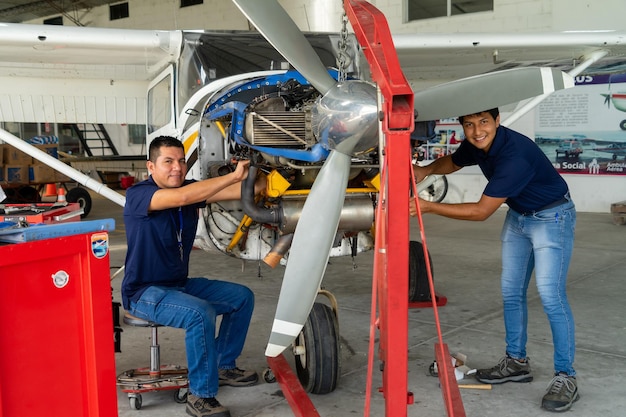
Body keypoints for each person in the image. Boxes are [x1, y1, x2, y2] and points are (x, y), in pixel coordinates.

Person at [411, 108, 578, 412]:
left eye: (484, 122)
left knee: (551, 296)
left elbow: (481, 211)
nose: (477, 131)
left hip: (552, 217)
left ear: (498, 121)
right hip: (519, 217)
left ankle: (566, 376)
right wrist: (426, 169)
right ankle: (516, 362)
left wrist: (429, 207)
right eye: (470, 125)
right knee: (511, 292)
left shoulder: (515, 155)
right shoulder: (478, 144)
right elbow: (454, 161)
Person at [122, 136, 264, 417]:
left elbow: (245, 190)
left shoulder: (190, 189)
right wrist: (234, 175)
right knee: (199, 313)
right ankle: (201, 395)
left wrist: (260, 173)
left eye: (182, 161)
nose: (178, 167)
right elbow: (185, 197)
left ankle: (224, 366)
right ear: (151, 166)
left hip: (177, 285)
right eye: (168, 162)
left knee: (241, 298)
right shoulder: (139, 195)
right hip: (144, 292)